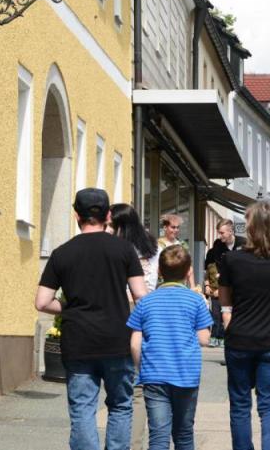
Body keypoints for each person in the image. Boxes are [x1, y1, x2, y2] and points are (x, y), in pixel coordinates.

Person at [35, 188, 147, 450]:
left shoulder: (62, 253)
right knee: (120, 405)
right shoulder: (124, 250)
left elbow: (42, 302)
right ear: (108, 216)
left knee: (83, 408)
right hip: (117, 340)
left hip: (78, 342)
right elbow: (141, 295)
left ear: (77, 215)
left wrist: (68, 306)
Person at [217, 201, 270, 450]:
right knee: (269, 405)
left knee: (240, 404)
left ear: (251, 227)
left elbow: (224, 300)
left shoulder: (232, 260)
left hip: (240, 338)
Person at [128, 246, 212, 450]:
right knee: (184, 433)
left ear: (159, 271)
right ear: (189, 271)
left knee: (158, 436)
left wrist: (142, 368)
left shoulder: (145, 302)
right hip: (186, 375)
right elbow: (204, 339)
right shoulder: (196, 300)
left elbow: (134, 343)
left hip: (154, 375)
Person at [108, 202, 159, 450]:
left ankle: (122, 441)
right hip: (147, 310)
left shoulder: (116, 248)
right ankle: (134, 444)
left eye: (110, 223)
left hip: (120, 310)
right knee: (138, 383)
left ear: (119, 225)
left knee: (120, 383)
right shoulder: (152, 245)